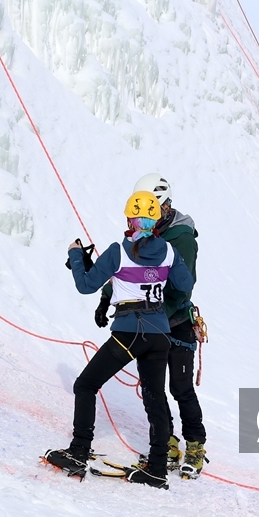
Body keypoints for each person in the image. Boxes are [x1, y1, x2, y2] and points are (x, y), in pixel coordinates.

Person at [44, 191, 195, 489]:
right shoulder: (168, 251)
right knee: (156, 399)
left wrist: (76, 255)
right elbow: (185, 284)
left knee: (86, 385)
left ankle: (78, 451)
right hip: (160, 334)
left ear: (130, 219)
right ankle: (156, 468)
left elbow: (86, 285)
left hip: (129, 332)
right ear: (156, 221)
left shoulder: (118, 251)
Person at [94, 174, 208, 479]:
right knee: (153, 389)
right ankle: (167, 443)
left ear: (165, 207)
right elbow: (128, 270)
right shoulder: (143, 236)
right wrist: (107, 298)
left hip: (176, 322)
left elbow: (184, 287)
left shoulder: (180, 237)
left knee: (179, 388)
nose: (145, 218)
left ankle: (195, 446)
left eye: (151, 212)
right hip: (153, 323)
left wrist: (151, 312)